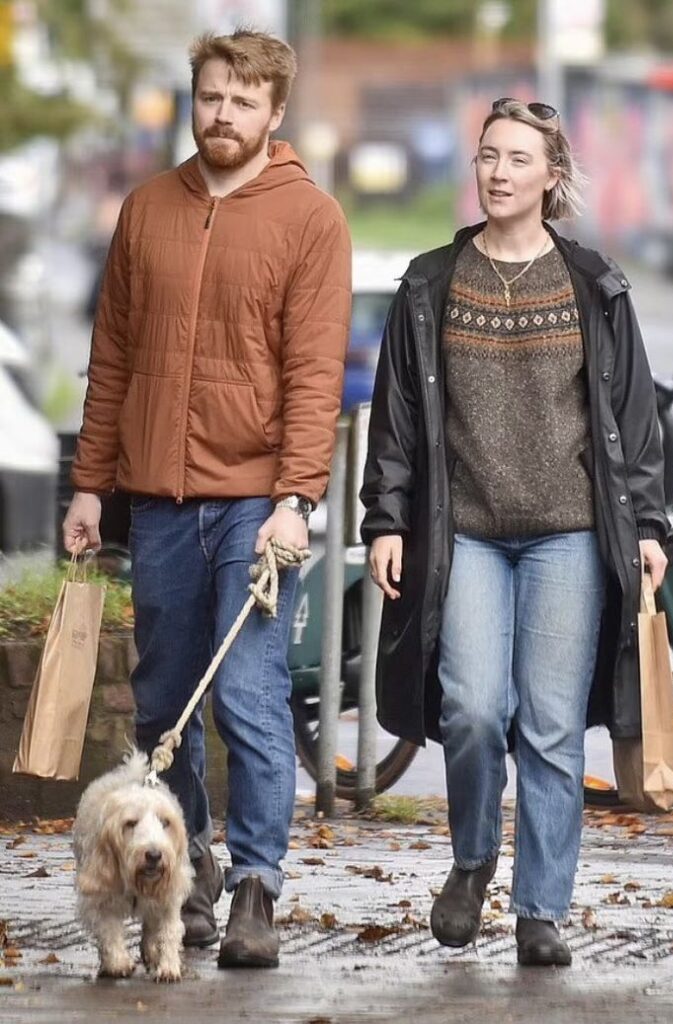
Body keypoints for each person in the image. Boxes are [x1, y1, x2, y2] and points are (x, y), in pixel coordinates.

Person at [63, 27, 352, 969]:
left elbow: (315, 375)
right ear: (194, 101)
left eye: (242, 101)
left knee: (249, 697)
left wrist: (297, 497)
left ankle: (258, 887)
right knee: (162, 704)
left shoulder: (311, 219)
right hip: (155, 498)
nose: (222, 114)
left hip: (254, 501)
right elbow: (111, 359)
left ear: (275, 112)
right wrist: (88, 486)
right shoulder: (146, 210)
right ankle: (185, 875)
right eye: (210, 97)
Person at [360, 98, 667, 967]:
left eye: (517, 158)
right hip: (467, 537)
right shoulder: (430, 283)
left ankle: (540, 910)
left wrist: (644, 523)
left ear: (550, 176)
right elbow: (398, 420)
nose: (497, 171)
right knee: (468, 709)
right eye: (487, 155)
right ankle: (470, 858)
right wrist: (388, 519)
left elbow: (631, 420)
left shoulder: (592, 284)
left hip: (566, 533)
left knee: (550, 726)